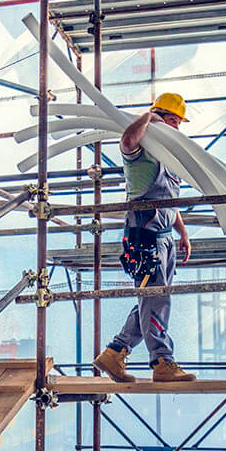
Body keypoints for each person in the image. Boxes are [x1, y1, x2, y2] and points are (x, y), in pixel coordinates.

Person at [92, 93, 197, 383]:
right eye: (175, 122)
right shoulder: (143, 155)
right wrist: (149, 118)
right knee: (155, 299)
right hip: (145, 237)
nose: (177, 129)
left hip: (164, 238)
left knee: (150, 300)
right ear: (168, 118)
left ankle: (115, 352)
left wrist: (183, 234)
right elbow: (126, 142)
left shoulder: (168, 160)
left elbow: (169, 202)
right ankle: (162, 361)